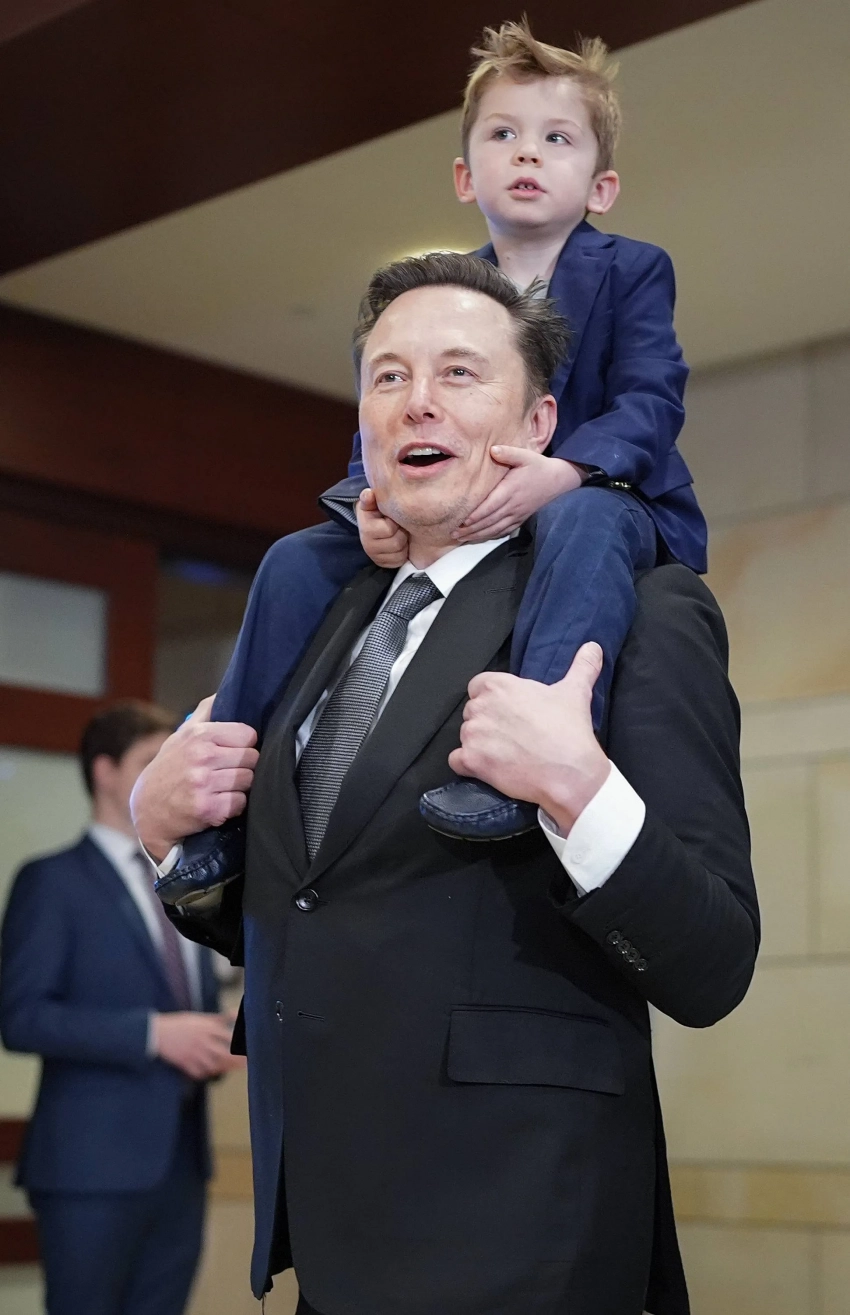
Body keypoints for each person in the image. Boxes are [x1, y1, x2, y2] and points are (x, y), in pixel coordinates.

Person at [133, 254, 758, 1315]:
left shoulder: (645, 610)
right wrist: (164, 835)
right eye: (388, 375)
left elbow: (714, 963)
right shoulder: (322, 615)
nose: (416, 399)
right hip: (331, 1236)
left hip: (526, 1242)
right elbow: (319, 912)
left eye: (459, 372)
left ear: (542, 420)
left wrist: (580, 790)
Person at [187, 18, 707, 866]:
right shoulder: (440, 295)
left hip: (600, 494)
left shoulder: (633, 268)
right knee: (295, 558)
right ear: (466, 176)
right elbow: (392, 413)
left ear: (602, 186)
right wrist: (369, 502)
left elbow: (651, 399)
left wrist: (566, 471)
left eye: (557, 138)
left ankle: (522, 761)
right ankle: (221, 798)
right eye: (503, 134)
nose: (527, 152)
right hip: (459, 499)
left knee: (584, 523)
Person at [0, 701, 241, 1315]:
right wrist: (153, 1035)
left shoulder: (188, 882)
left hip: (183, 1164)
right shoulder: (52, 881)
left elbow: (191, 1005)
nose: (168, 773)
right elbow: (21, 1017)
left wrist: (214, 1044)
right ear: (105, 772)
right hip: (89, 1169)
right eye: (150, 760)